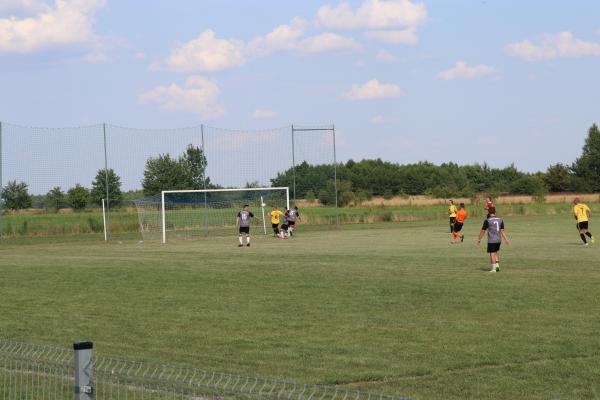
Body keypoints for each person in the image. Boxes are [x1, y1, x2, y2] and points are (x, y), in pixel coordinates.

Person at [477, 207, 510, 272]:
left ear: (488, 212)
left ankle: (493, 268)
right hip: (498, 240)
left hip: (492, 240)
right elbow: (502, 230)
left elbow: (483, 231)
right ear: (495, 212)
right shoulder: (500, 219)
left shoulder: (487, 220)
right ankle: (497, 266)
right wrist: (506, 239)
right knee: (495, 251)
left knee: (492, 253)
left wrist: (479, 239)